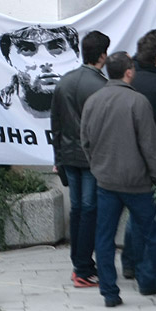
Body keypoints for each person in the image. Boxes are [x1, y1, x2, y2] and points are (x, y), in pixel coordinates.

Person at [80, 51, 156, 308]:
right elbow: (150, 146)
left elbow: (85, 141)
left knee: (104, 238)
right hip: (137, 183)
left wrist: (97, 166)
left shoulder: (93, 101)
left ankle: (110, 293)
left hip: (106, 181)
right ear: (129, 72)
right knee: (154, 235)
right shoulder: (137, 101)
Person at [50, 30, 109, 287]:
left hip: (69, 155)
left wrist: (58, 156)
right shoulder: (101, 86)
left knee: (79, 209)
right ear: (103, 56)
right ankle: (83, 267)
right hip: (90, 157)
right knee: (88, 209)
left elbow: (56, 124)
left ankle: (80, 264)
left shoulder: (64, 81)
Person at [0, 24, 80, 116]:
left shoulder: (91, 100)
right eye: (27, 50)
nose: (45, 62)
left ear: (76, 56)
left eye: (57, 48)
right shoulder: (1, 104)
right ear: (9, 60)